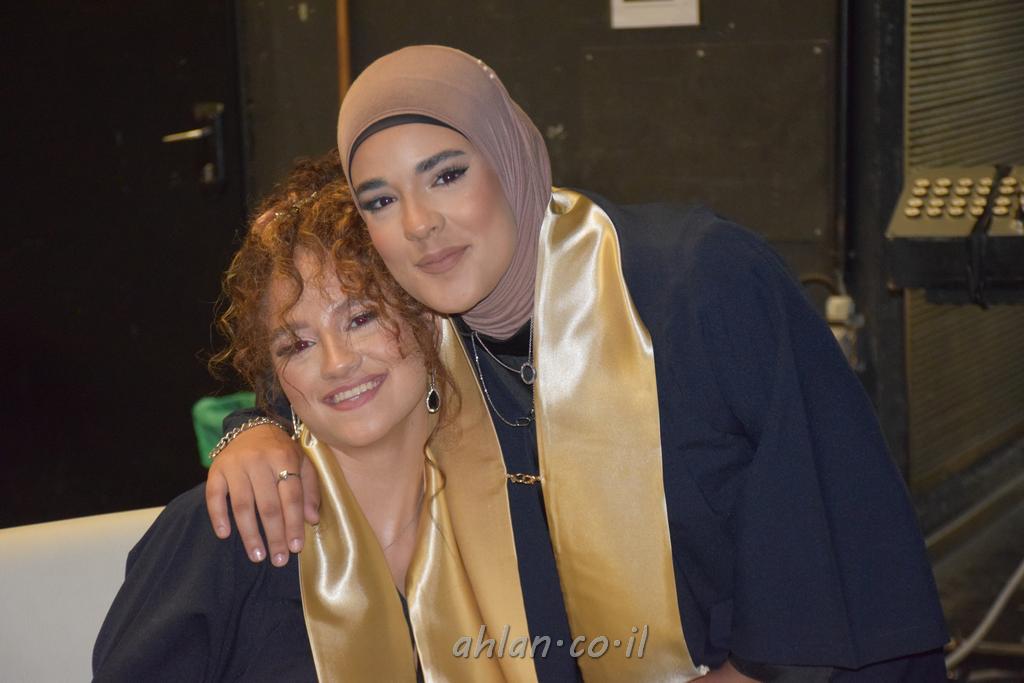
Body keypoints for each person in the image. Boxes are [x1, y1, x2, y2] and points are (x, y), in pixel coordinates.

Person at [206, 46, 949, 681]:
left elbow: (830, 519)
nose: (420, 224)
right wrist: (250, 431)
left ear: (507, 154)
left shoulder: (694, 285)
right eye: (380, 200)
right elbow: (317, 366)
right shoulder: (429, 334)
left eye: (446, 174)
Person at [94, 151, 518, 681]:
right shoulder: (226, 528)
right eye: (296, 345)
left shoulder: (513, 514)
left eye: (360, 318)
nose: (337, 363)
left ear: (427, 317)